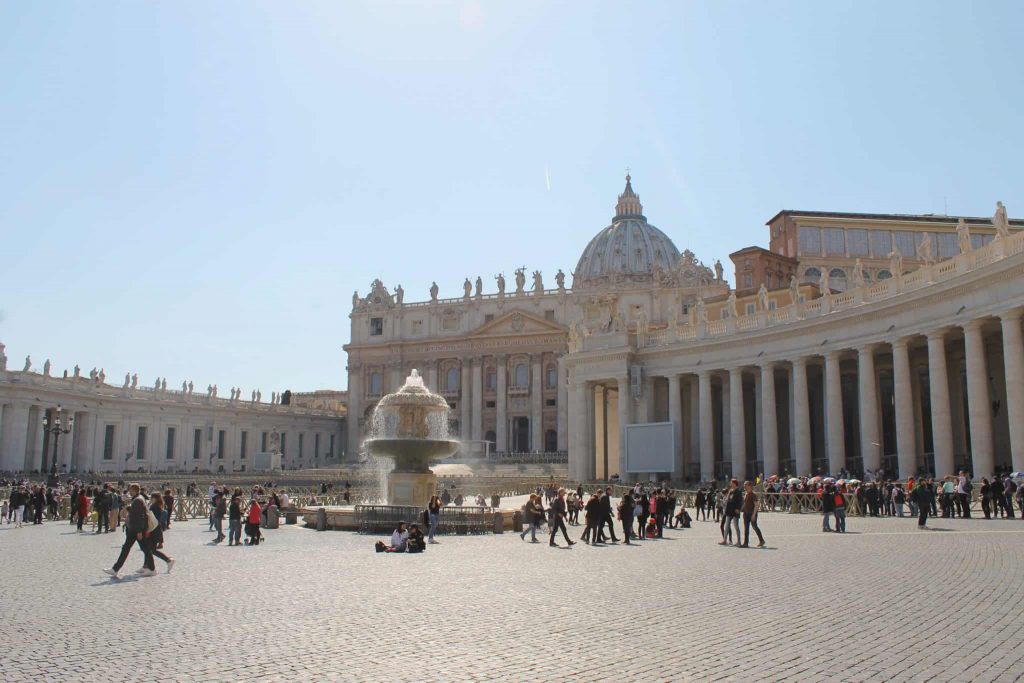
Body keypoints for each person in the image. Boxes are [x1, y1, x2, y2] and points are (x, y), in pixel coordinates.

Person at [103, 483, 155, 579]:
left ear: (134, 490)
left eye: (130, 489)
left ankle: (152, 569)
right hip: (134, 528)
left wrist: (139, 531)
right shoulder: (138, 498)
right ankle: (115, 569)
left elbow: (140, 516)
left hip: (137, 529)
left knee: (144, 549)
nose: (129, 491)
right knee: (129, 548)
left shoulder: (138, 500)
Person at [147, 493, 176, 573]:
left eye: (152, 497)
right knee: (149, 549)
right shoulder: (156, 505)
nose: (151, 499)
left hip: (154, 530)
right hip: (155, 529)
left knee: (151, 550)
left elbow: (153, 518)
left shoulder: (155, 507)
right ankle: (146, 566)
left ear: (155, 498)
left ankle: (168, 560)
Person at [740, 481, 765, 547]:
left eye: (746, 485)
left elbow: (756, 505)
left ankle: (761, 540)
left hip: (752, 513)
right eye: (744, 485)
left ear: (750, 486)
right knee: (746, 528)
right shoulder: (745, 494)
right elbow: (745, 503)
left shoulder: (753, 495)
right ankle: (746, 543)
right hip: (746, 513)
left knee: (754, 527)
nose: (744, 486)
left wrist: (754, 515)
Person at [719, 480, 742, 546]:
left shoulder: (738, 492)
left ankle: (739, 541)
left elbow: (740, 501)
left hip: (735, 510)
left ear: (735, 484)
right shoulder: (730, 491)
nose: (730, 484)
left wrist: (738, 509)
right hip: (729, 511)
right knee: (727, 525)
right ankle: (725, 540)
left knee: (736, 526)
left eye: (731, 483)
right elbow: (728, 500)